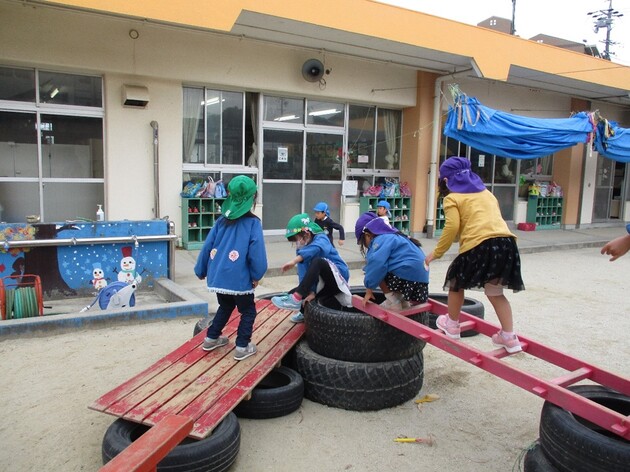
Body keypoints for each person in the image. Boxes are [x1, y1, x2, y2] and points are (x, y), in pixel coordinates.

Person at [424, 156, 525, 354]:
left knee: (456, 281)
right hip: (506, 244)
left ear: (445, 181)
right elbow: (478, 220)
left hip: (480, 244)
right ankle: (509, 336)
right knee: (495, 291)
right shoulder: (487, 193)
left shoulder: (452, 198)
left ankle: (452, 325)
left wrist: (436, 253)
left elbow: (452, 227)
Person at [194, 175, 268, 361]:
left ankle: (211, 338)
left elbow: (208, 246)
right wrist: (257, 274)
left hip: (218, 275)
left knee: (225, 305)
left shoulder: (221, 221)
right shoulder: (253, 223)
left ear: (230, 195)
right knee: (248, 310)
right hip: (240, 278)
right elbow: (256, 253)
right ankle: (242, 346)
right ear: (253, 198)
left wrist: (201, 269)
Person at [271, 213, 351, 323]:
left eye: (297, 239)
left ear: (306, 233)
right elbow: (303, 274)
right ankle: (304, 311)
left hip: (337, 279)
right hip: (322, 283)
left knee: (317, 262)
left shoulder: (321, 238)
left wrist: (295, 260)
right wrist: (310, 291)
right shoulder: (302, 250)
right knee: (293, 292)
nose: (297, 243)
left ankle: (296, 299)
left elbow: (316, 249)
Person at [355, 212, 429, 311]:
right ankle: (403, 302)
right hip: (421, 277)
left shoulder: (380, 240)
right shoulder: (396, 236)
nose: (365, 247)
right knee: (390, 264)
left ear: (368, 235)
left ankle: (392, 302)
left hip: (407, 273)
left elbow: (376, 264)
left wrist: (369, 289)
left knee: (376, 268)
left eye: (363, 243)